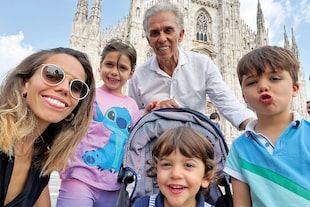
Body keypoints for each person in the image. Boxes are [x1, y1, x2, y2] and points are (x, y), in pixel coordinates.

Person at [128, 1, 255, 130]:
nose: (162, 39)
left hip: (193, 144)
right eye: (155, 33)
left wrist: (258, 128)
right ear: (148, 40)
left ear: (181, 35)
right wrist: (149, 113)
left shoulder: (203, 64)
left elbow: (228, 104)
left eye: (168, 30)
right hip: (152, 144)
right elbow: (131, 116)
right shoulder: (138, 76)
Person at [0, 47, 95, 207]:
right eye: (53, 74)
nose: (65, 88)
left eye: (76, 87)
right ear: (25, 83)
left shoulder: (40, 160)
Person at [56, 39, 141, 207]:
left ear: (131, 73)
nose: (114, 72)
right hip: (79, 177)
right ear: (100, 64)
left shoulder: (131, 105)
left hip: (112, 186)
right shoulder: (88, 95)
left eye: (122, 68)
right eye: (109, 64)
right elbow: (68, 124)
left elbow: (136, 140)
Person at [224, 45, 310, 206]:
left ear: (295, 88)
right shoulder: (239, 148)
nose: (263, 86)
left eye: (274, 78)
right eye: (252, 82)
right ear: (243, 96)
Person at [132, 126, 216, 207]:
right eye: (166, 164)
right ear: (156, 169)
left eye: (188, 165)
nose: (176, 174)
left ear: (206, 177)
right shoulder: (142, 204)